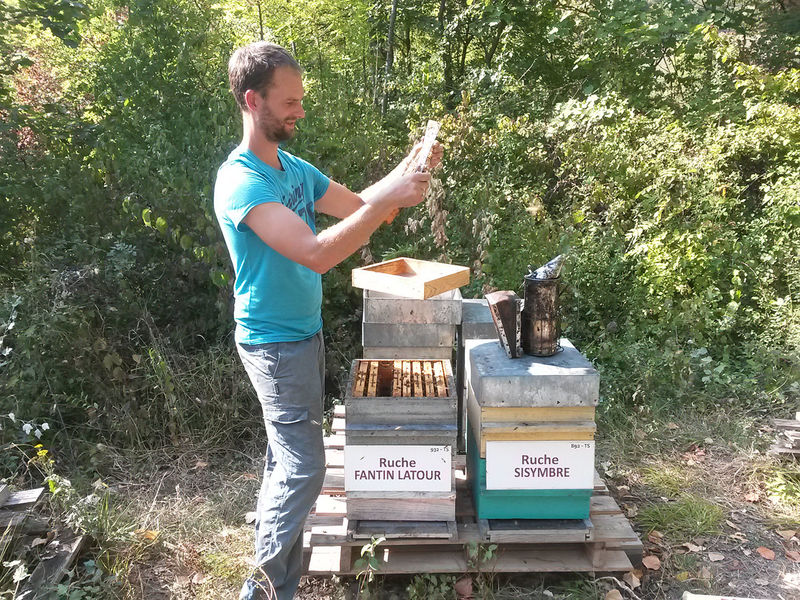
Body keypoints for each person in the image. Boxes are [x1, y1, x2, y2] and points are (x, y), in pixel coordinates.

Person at [213, 41, 442, 600]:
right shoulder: (242, 182)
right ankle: (262, 588)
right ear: (253, 100)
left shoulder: (292, 168)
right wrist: (385, 202)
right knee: (304, 468)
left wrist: (409, 170)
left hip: (304, 334)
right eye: (289, 102)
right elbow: (317, 252)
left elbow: (360, 201)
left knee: (285, 462)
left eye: (300, 100)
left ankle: (279, 586)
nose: (299, 111)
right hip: (272, 342)